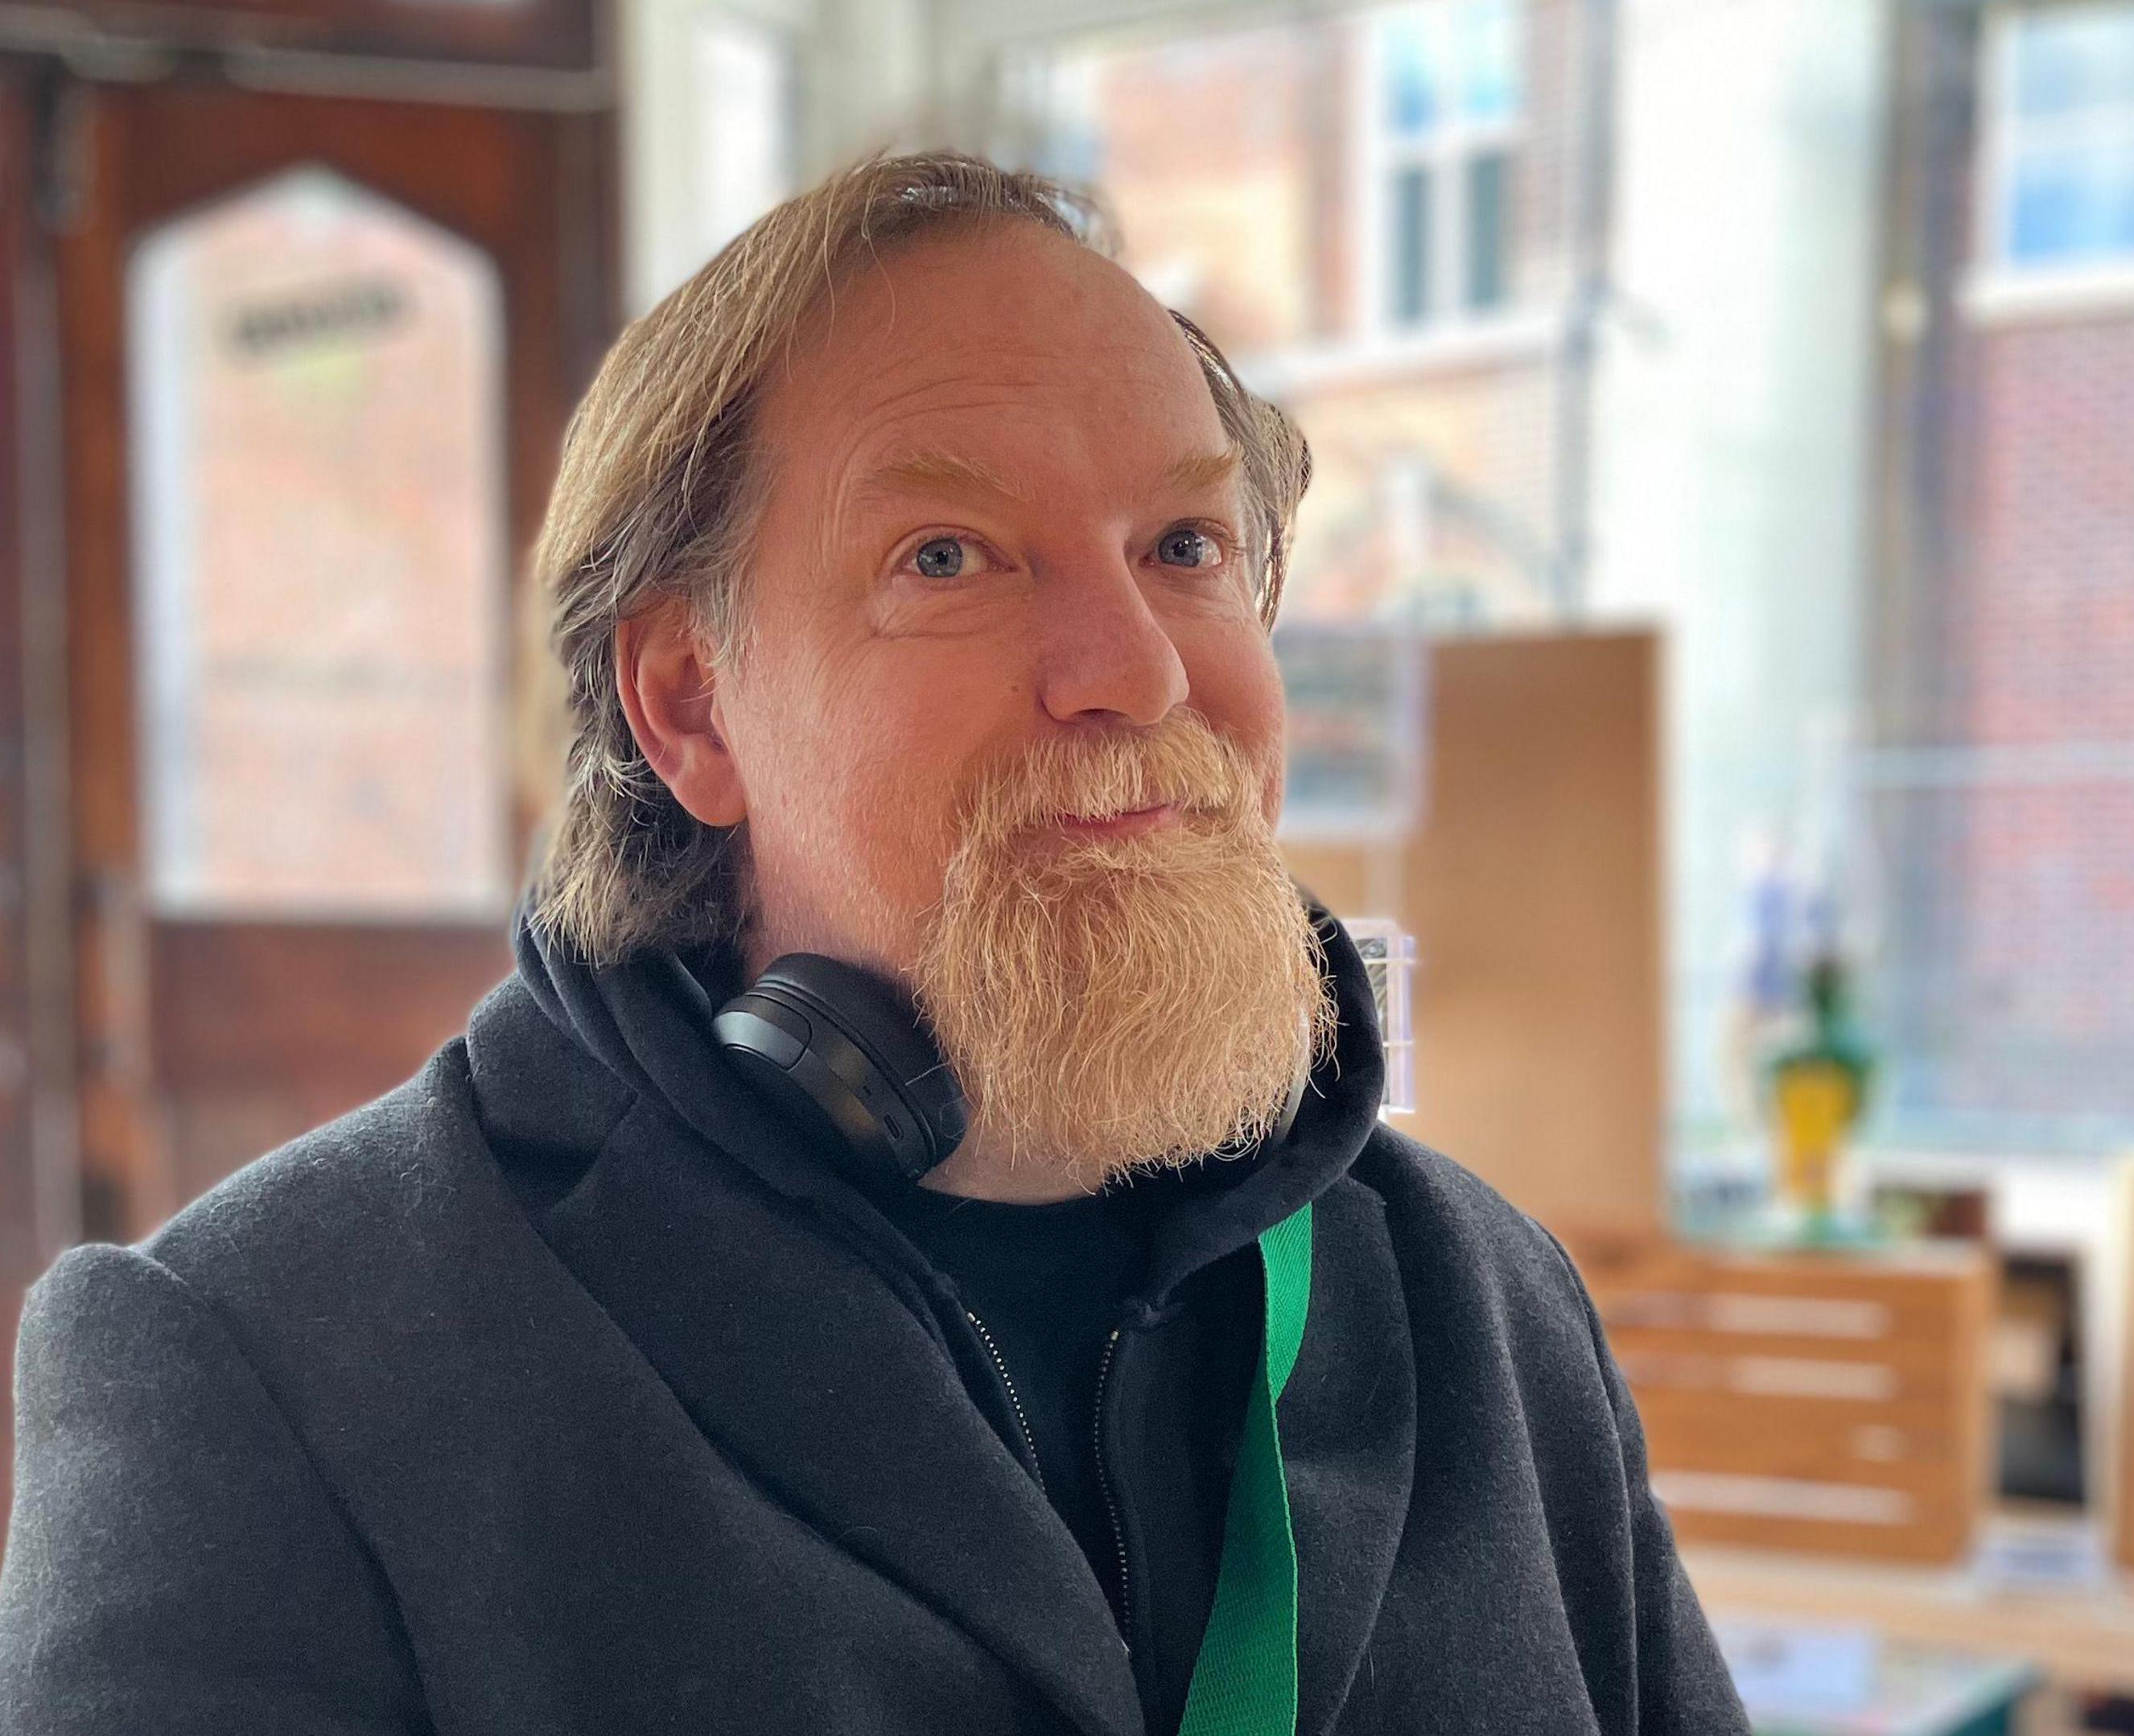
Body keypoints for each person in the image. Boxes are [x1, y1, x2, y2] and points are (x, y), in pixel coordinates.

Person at [0, 151, 1747, 1736]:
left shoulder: (1488, 1307)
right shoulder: (267, 1369)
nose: (1134, 668)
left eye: (1186, 544)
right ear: (690, 704)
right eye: (949, 554)